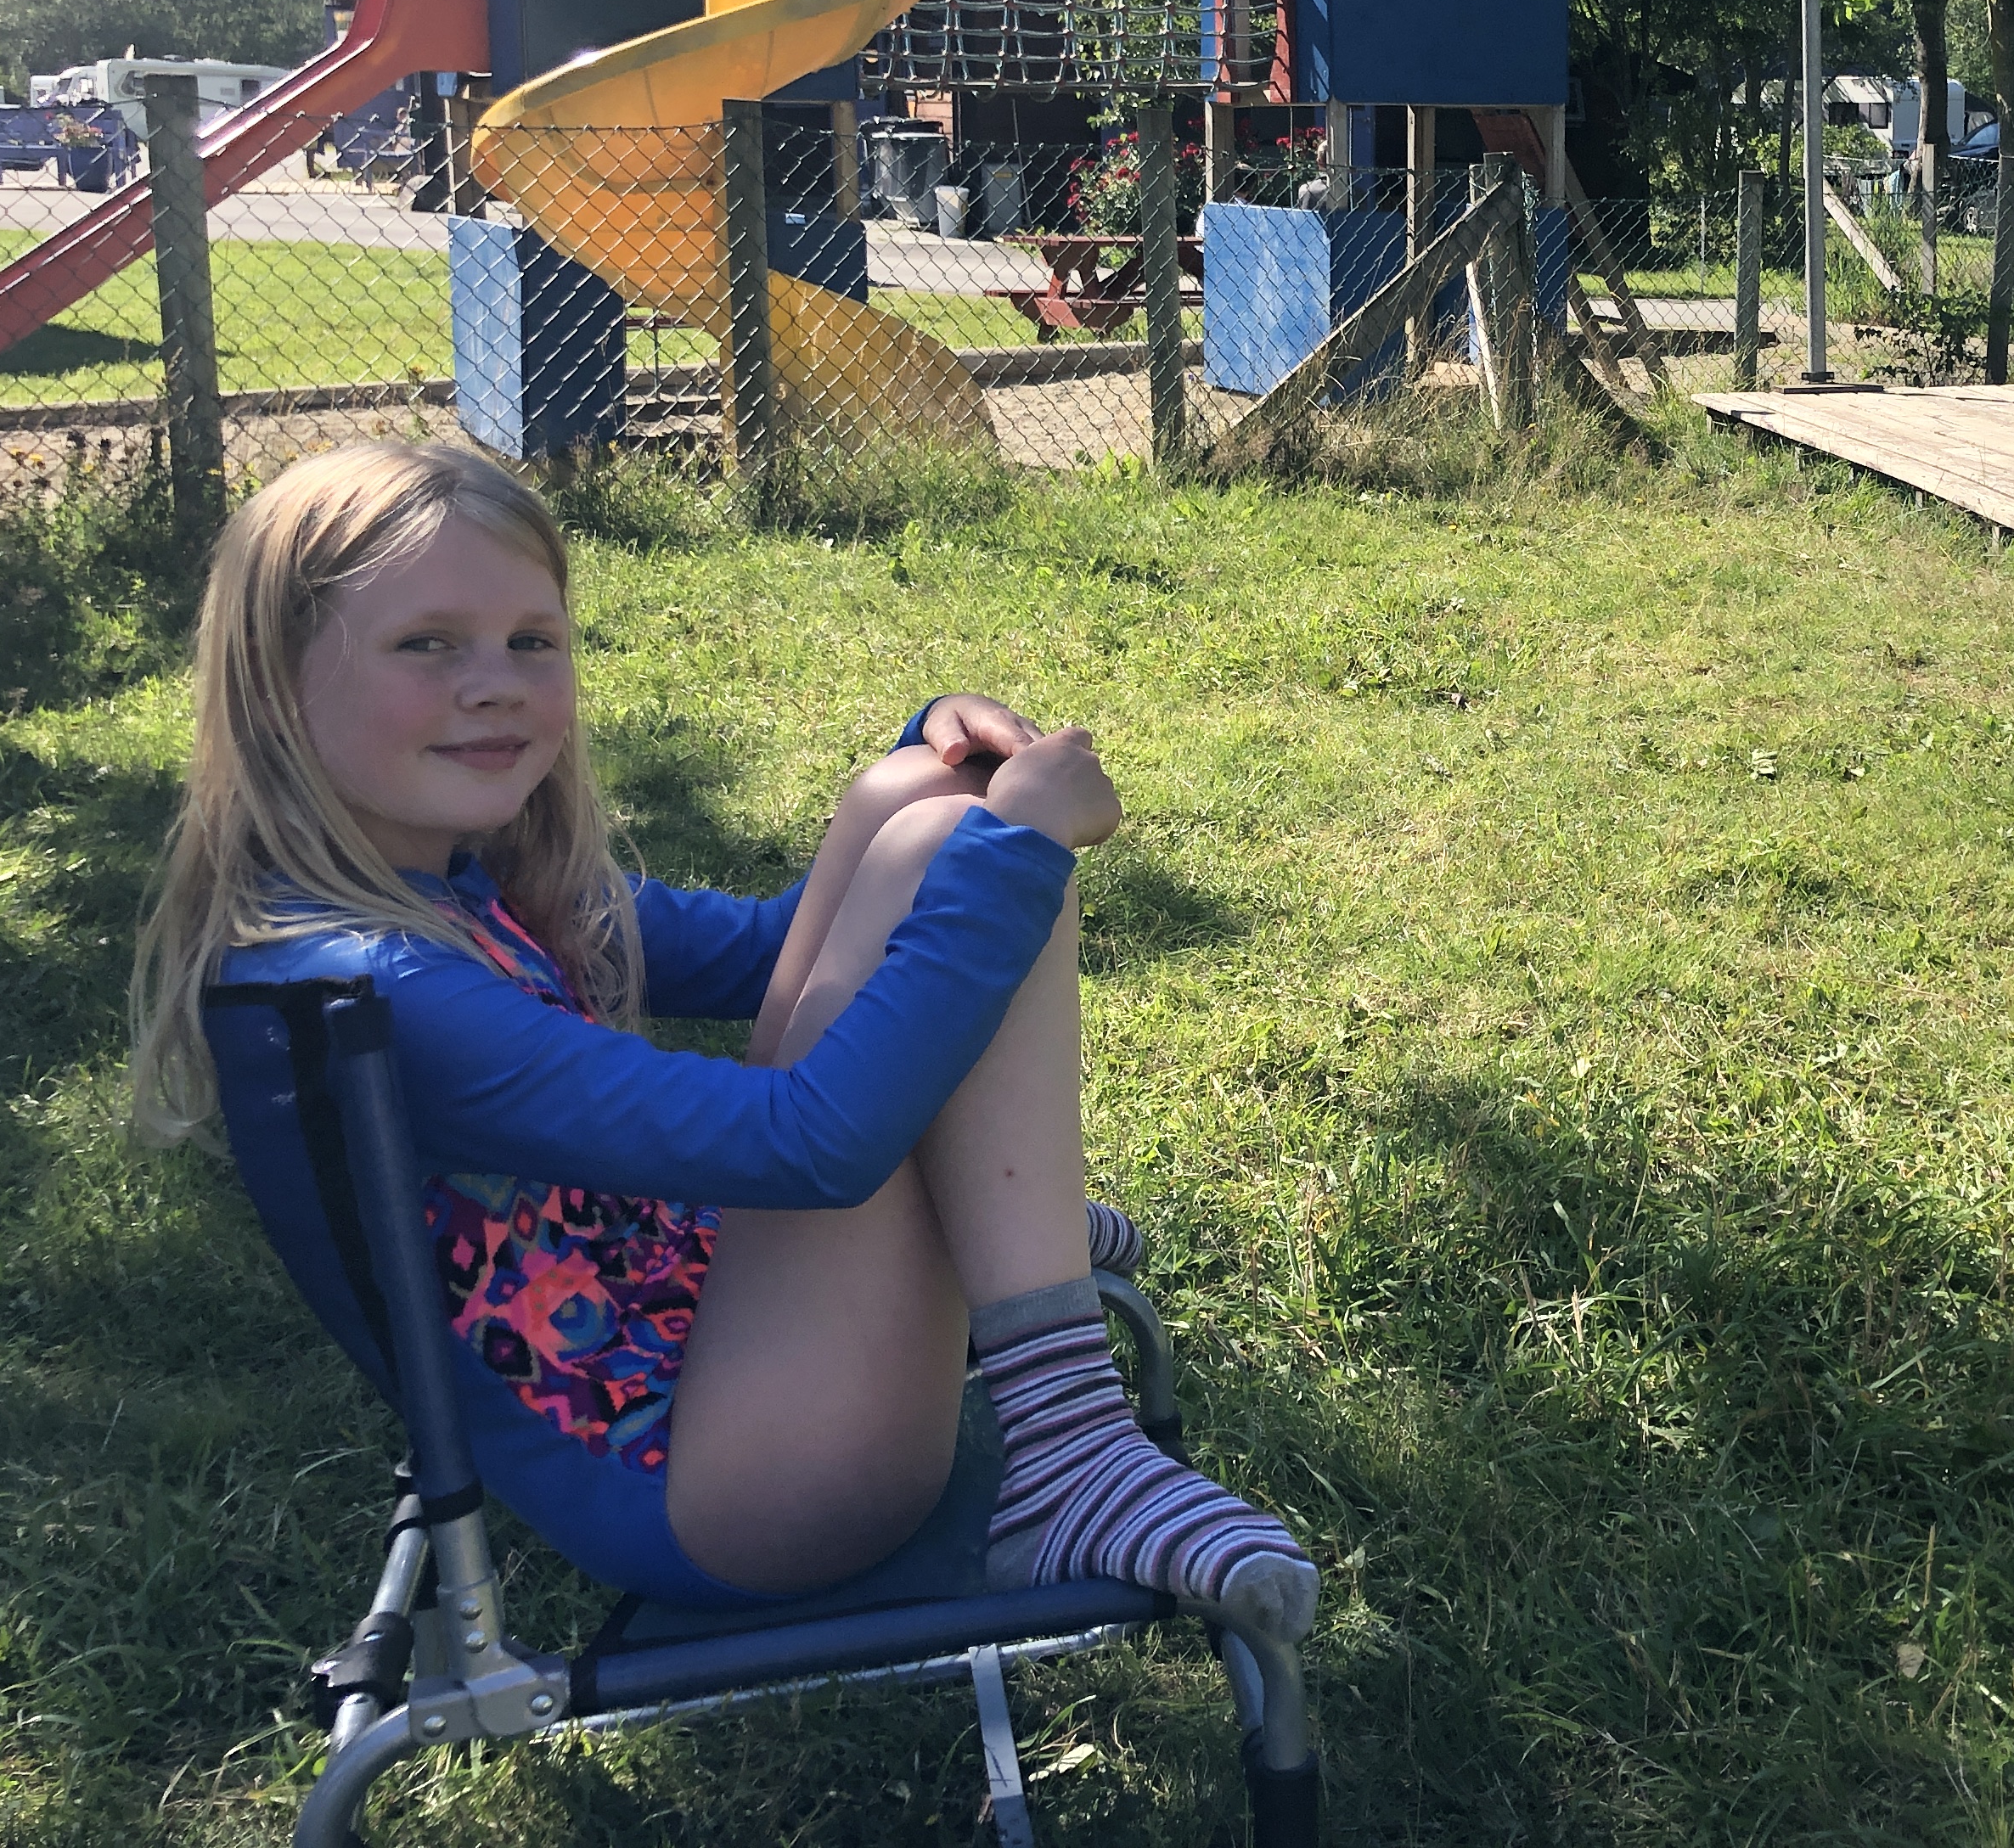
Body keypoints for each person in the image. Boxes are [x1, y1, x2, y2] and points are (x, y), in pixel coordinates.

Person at [126, 445, 1315, 1632]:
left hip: (721, 1351)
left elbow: (775, 949)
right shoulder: (380, 989)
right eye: (427, 644)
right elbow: (810, 1147)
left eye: (531, 641)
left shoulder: (452, 887)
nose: (494, 684)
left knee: (912, 811)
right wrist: (1015, 856)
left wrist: (926, 760)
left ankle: (995, 1226)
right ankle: (1071, 1448)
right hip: (744, 1494)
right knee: (960, 864)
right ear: (277, 683)